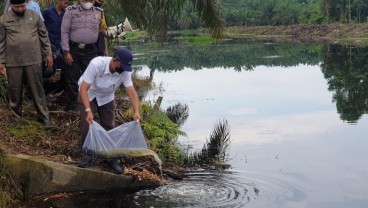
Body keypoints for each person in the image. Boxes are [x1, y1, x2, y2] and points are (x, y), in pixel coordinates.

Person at [78, 48, 141, 174]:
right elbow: (83, 89)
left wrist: (136, 111)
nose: (123, 69)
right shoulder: (97, 64)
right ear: (114, 60)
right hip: (88, 93)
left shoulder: (125, 71)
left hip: (107, 96)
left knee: (109, 126)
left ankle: (109, 158)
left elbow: (132, 93)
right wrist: (88, 110)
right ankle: (87, 155)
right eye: (121, 65)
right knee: (87, 124)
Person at [0, 0, 53, 126]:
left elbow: (44, 36)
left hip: (33, 59)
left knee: (37, 88)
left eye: (22, 6)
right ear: (12, 5)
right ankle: (16, 117)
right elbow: (1, 42)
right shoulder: (4, 19)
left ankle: (43, 116)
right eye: (17, 7)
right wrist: (1, 61)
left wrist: (48, 54)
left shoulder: (34, 15)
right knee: (15, 89)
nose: (20, 9)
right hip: (13, 61)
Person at [61, 0, 103, 112]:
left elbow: (102, 32)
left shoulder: (99, 12)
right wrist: (66, 51)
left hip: (90, 51)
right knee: (72, 77)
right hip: (74, 50)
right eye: (85, 0)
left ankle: (90, 104)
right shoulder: (70, 11)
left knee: (91, 78)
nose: (88, 2)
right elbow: (64, 31)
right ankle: (71, 105)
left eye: (90, 0)